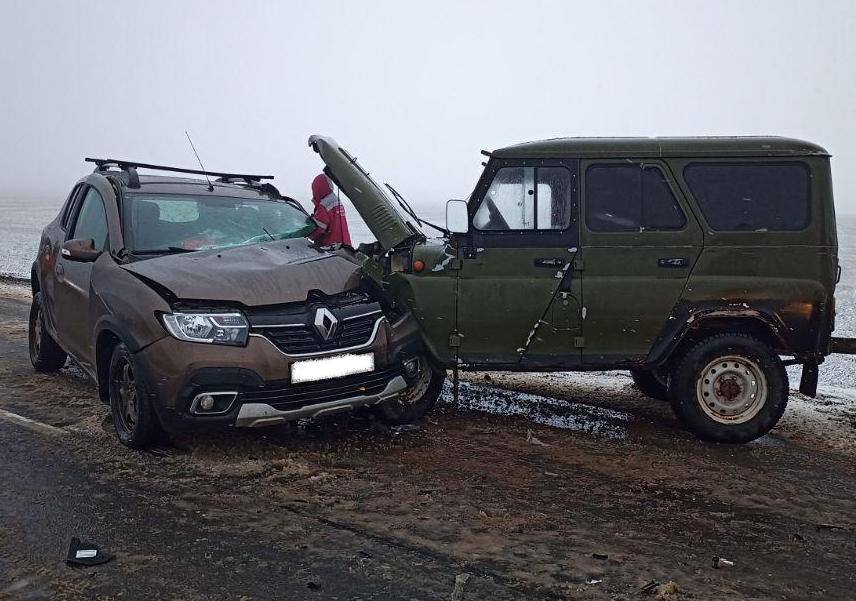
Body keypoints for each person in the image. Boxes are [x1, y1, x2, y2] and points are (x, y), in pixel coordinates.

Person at [308, 173, 352, 246]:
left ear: (317, 189)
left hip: (331, 247)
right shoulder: (336, 200)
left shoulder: (323, 205)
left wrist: (307, 231)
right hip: (345, 244)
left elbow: (319, 228)